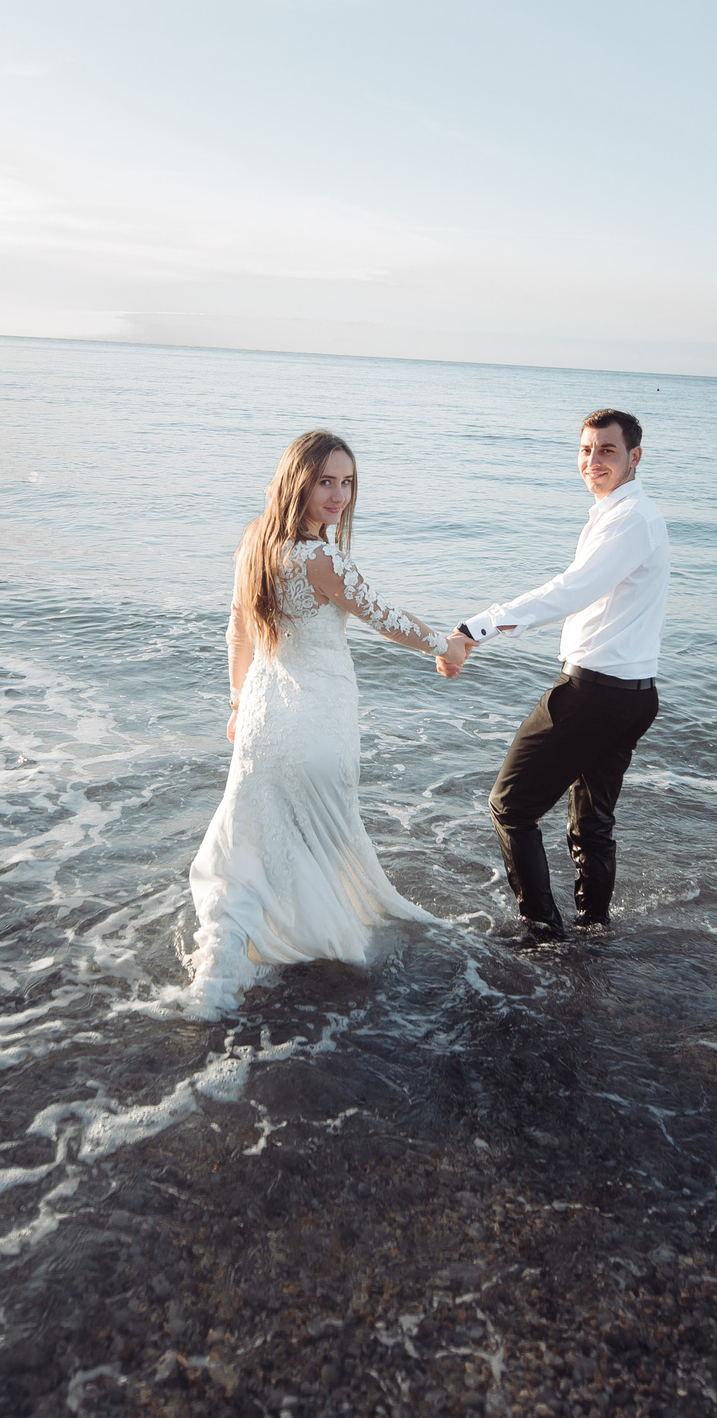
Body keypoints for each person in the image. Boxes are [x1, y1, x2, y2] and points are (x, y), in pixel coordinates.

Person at [182, 429, 467, 1015]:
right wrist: (447, 644)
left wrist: (237, 704)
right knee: (321, 844)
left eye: (347, 482)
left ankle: (222, 976)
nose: (338, 495)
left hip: (263, 720)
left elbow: (238, 629)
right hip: (316, 723)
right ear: (299, 481)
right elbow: (385, 617)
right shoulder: (321, 558)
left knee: (253, 849)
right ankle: (309, 952)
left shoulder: (255, 542)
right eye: (325, 481)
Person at [444, 409, 670, 940]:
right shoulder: (623, 514)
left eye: (607, 451)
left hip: (594, 694)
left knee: (510, 806)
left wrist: (475, 628)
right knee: (591, 823)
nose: (593, 461)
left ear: (635, 457)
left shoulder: (631, 519)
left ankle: (542, 930)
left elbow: (570, 590)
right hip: (631, 697)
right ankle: (594, 929)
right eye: (587, 450)